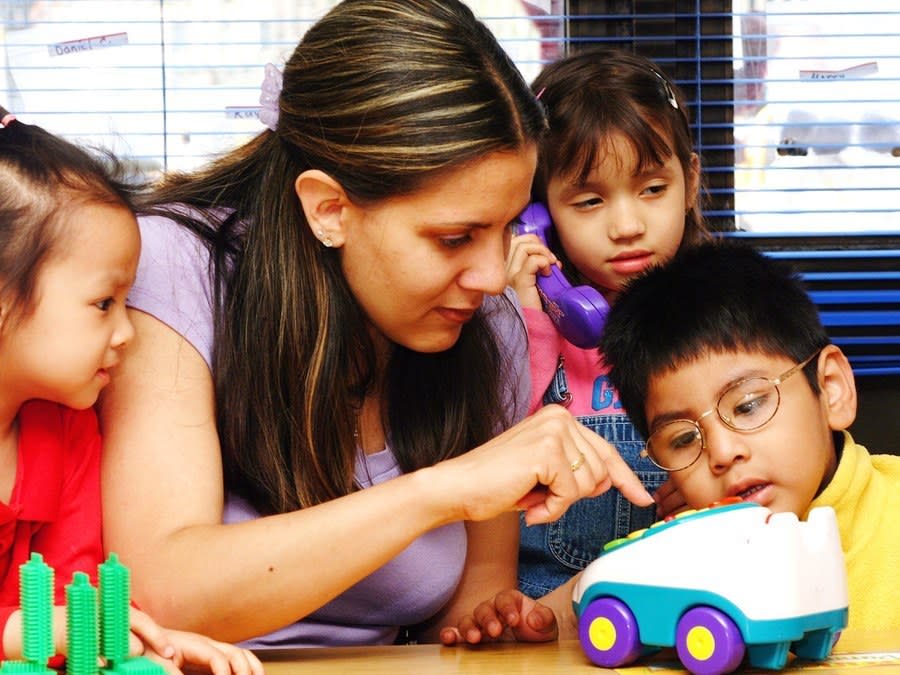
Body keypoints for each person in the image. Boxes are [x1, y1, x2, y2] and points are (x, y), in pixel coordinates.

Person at [97, 0, 654, 650]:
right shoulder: (176, 265)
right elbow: (159, 591)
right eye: (454, 238)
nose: (490, 275)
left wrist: (503, 618)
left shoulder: (489, 330)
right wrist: (440, 491)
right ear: (329, 208)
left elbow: (467, 610)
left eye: (507, 226)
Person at [0, 109, 262, 674]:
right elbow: (40, 628)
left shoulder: (69, 427)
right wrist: (23, 631)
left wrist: (142, 642)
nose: (128, 333)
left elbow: (76, 602)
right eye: (103, 304)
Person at [599, 240, 900, 631]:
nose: (722, 453)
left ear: (831, 388)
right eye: (684, 439)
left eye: (748, 405)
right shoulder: (676, 569)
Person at [506, 48, 711, 604]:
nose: (627, 226)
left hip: (687, 592)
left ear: (689, 182)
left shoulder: (722, 316)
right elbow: (492, 454)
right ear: (538, 212)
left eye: (652, 189)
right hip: (540, 603)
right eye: (590, 200)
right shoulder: (514, 322)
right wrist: (526, 320)